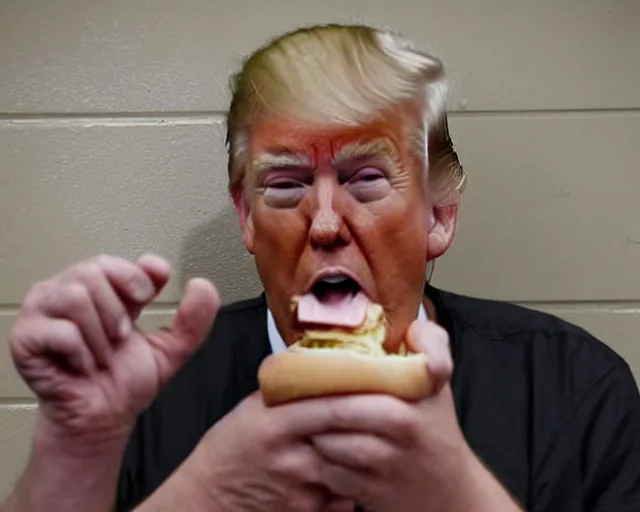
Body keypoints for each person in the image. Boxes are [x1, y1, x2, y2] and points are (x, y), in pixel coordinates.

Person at [2, 23, 640, 512]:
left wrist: (455, 492)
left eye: (366, 179)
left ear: (438, 216)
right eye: (285, 185)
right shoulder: (148, 395)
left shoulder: (573, 387)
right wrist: (86, 450)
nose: (327, 222)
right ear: (246, 218)